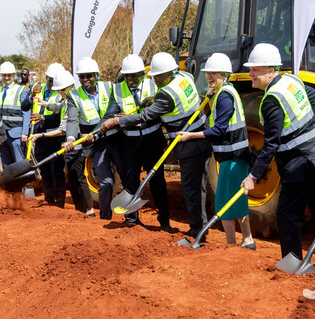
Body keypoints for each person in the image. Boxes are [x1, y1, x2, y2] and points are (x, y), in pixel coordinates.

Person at [240, 43, 315, 267]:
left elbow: (271, 144)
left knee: (286, 216)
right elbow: (312, 95)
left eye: (256, 70)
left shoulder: (272, 100)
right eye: (251, 69)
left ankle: (292, 266)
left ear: (271, 70)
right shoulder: (291, 80)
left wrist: (253, 176)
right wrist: (298, 120)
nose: (250, 74)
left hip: (301, 165)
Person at [101, 52, 211, 239]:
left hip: (181, 141)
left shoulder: (166, 93)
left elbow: (147, 115)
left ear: (167, 74)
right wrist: (152, 100)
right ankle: (135, 220)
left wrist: (119, 122)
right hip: (196, 135)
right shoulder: (185, 76)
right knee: (196, 188)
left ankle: (191, 229)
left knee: (189, 188)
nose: (155, 80)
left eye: (156, 77)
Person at [179, 53, 254, 247]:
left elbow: (219, 129)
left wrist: (190, 136)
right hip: (233, 156)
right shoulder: (223, 93)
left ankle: (230, 245)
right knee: (236, 200)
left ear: (225, 74)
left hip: (233, 156)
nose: (209, 77)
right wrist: (211, 98)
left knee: (222, 202)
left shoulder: (225, 97)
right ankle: (247, 240)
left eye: (214, 74)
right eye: (207, 74)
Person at [108, 54, 171, 231]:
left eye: (134, 75)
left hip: (153, 139)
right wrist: (112, 120)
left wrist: (130, 118)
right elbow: (111, 114)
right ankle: (131, 220)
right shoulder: (117, 89)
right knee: (130, 180)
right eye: (127, 76)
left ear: (143, 74)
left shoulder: (154, 84)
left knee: (157, 180)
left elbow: (158, 110)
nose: (130, 79)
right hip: (130, 141)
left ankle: (164, 221)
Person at [62, 57, 126, 220]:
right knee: (105, 183)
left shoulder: (110, 87)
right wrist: (71, 138)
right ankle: (105, 217)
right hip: (97, 145)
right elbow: (72, 120)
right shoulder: (74, 96)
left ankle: (131, 219)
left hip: (118, 140)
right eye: (81, 77)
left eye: (88, 75)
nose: (85, 80)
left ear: (97, 75)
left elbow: (116, 109)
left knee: (126, 180)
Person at [27, 62, 67, 207]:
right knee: (44, 170)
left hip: (55, 136)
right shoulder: (40, 88)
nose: (51, 83)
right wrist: (31, 95)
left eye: (54, 80)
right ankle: (49, 200)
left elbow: (61, 115)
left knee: (57, 170)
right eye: (49, 79)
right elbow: (25, 106)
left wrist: (43, 117)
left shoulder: (62, 92)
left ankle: (60, 202)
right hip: (39, 135)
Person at [0, 61, 31, 168]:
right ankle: (10, 185)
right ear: (1, 75)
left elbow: (26, 112)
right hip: (2, 133)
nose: (6, 77)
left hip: (16, 134)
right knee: (6, 164)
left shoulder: (20, 90)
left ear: (14, 75)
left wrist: (24, 132)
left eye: (9, 75)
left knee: (19, 163)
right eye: (4, 75)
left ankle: (23, 184)